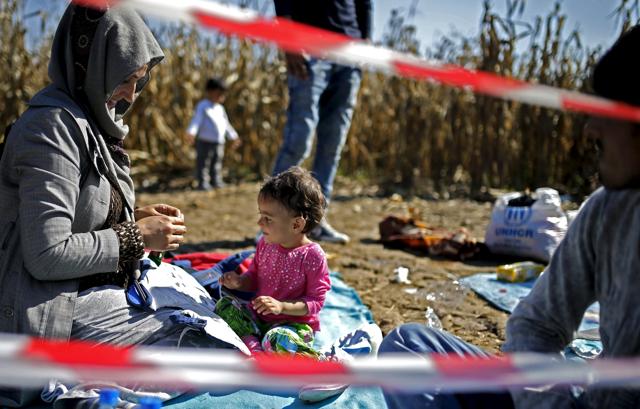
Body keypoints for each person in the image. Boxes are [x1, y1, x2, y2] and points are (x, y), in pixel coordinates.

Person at [377, 26, 640, 409]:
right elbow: (537, 324)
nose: (590, 129)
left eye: (608, 111)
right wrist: (546, 401)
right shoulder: (607, 211)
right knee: (407, 346)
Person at [0, 5, 234, 407]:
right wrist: (134, 236)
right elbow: (45, 254)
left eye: (139, 82)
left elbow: (76, 213)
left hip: (77, 292)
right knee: (207, 347)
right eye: (123, 79)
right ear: (89, 64)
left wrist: (130, 216)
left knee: (206, 314)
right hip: (47, 311)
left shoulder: (84, 121)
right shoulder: (51, 130)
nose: (130, 95)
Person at [270, 0, 373, 244]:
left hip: (349, 54)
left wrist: (365, 41)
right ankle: (272, 221)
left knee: (332, 144)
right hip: (307, 46)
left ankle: (315, 222)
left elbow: (364, 4)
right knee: (299, 141)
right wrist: (289, 43)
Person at [217, 166, 332, 356]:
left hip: (293, 326)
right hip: (258, 318)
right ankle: (255, 348)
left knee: (279, 339)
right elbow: (254, 277)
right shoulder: (265, 243)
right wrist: (239, 282)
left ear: (296, 224)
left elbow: (315, 302)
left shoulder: (312, 255)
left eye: (268, 219)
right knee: (224, 306)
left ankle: (314, 364)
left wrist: (281, 307)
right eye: (260, 215)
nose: (260, 223)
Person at [186, 77, 240, 191]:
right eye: (219, 93)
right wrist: (191, 132)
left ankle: (216, 180)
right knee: (203, 163)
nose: (222, 96)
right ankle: (203, 183)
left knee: (216, 162)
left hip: (219, 142)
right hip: (204, 141)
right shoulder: (203, 105)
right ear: (210, 92)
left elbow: (226, 124)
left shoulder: (220, 108)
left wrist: (233, 136)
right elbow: (197, 120)